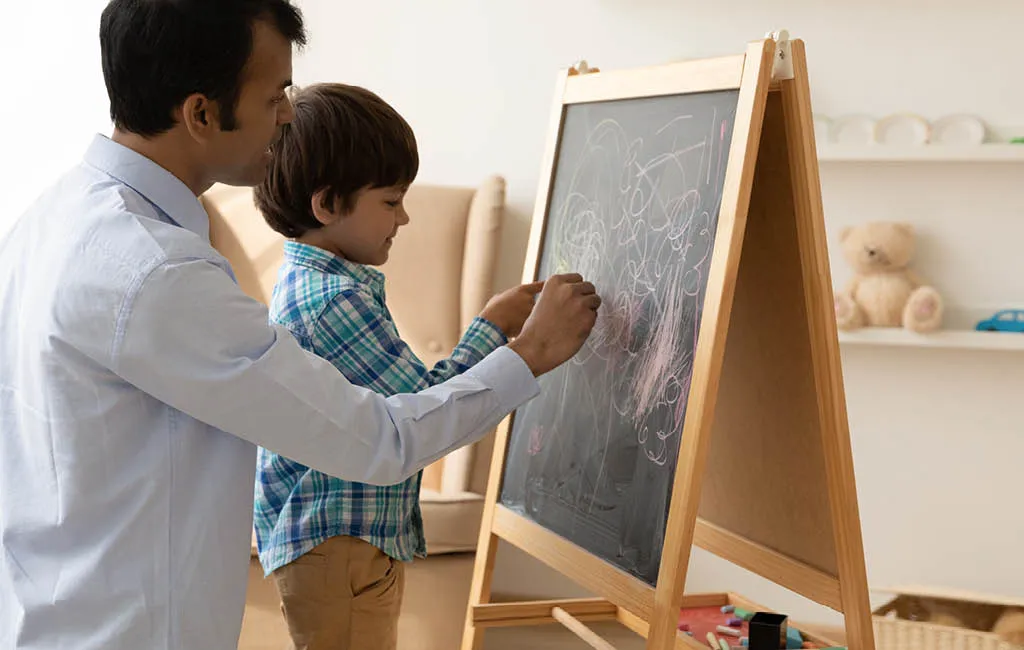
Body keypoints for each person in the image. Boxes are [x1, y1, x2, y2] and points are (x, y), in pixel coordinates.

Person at [0, 1, 601, 649]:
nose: (288, 115)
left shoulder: (52, 218)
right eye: (275, 95)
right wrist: (530, 353)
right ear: (201, 113)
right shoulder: (157, 272)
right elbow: (381, 439)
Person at [249, 83, 539, 650]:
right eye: (390, 200)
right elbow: (427, 408)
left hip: (345, 545)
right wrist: (498, 330)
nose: (404, 217)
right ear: (327, 204)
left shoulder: (316, 282)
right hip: (339, 548)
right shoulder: (333, 300)